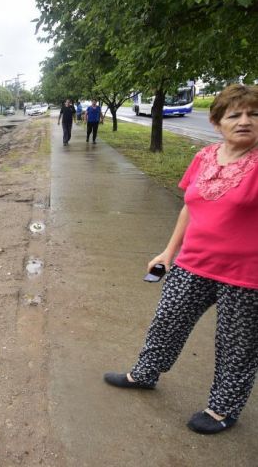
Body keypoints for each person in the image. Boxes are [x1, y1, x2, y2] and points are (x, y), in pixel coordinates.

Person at [104, 84, 258, 434]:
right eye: (235, 114)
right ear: (218, 123)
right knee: (166, 323)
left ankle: (223, 410)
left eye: (254, 114)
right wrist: (168, 252)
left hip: (246, 276)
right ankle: (144, 374)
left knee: (237, 347)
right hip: (192, 263)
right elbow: (190, 206)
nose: (245, 120)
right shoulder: (204, 158)